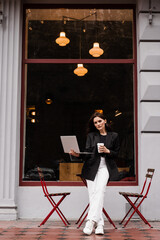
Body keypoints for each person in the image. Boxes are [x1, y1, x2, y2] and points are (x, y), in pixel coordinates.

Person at [69, 111, 120, 235]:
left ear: (105, 121)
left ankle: (90, 221)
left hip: (105, 167)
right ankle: (100, 225)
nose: (98, 124)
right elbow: (87, 154)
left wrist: (108, 151)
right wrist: (77, 155)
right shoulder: (91, 136)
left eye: (99, 121)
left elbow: (117, 153)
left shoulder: (114, 136)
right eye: (95, 122)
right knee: (93, 195)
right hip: (91, 167)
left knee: (100, 191)